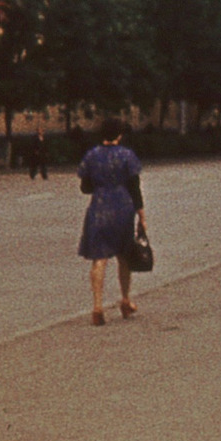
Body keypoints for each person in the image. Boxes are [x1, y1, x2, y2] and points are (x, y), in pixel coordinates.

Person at [77, 116, 145, 326]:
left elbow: (85, 187)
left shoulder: (91, 156)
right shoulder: (127, 156)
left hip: (99, 208)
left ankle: (97, 307)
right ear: (120, 134)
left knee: (99, 258)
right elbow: (135, 188)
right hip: (123, 208)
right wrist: (142, 216)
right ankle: (125, 300)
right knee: (123, 256)